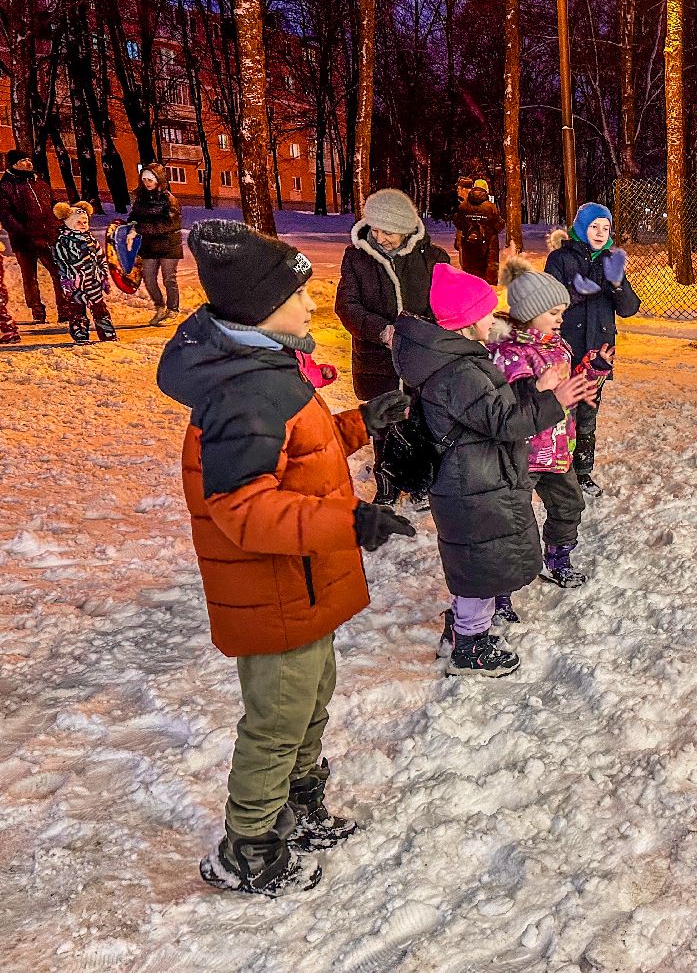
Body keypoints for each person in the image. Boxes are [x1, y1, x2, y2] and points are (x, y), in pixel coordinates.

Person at [157, 220, 416, 896]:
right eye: (300, 296)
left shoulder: (266, 368)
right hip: (274, 591)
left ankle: (297, 807)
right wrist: (352, 521)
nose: (311, 307)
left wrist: (363, 421)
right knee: (276, 722)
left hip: (301, 584)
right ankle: (247, 847)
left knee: (310, 701)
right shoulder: (244, 394)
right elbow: (243, 509)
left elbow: (299, 451)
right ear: (261, 308)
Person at [391, 263, 597, 677]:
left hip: (474, 476)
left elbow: (494, 407)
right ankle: (470, 644)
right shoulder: (460, 371)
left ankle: (463, 628)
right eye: (485, 313)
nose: (493, 319)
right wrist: (554, 400)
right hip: (471, 480)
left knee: (478, 560)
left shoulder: (457, 360)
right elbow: (504, 421)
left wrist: (534, 390)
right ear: (467, 320)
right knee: (480, 564)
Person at [486, 256, 613, 624]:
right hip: (522, 455)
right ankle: (500, 593)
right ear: (529, 314)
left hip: (558, 450)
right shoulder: (508, 354)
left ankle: (557, 558)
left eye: (561, 312)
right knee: (513, 524)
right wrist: (534, 387)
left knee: (570, 506)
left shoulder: (558, 347)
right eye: (554, 313)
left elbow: (572, 386)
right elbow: (506, 403)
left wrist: (593, 369)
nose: (560, 319)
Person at [335, 188, 450, 507]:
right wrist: (380, 330)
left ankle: (419, 481)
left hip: (420, 359)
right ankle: (386, 482)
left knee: (420, 419)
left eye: (388, 231)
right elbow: (347, 304)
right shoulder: (357, 258)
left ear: (405, 229)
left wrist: (419, 334)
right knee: (384, 421)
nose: (379, 236)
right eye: (375, 228)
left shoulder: (434, 258)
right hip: (377, 359)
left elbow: (445, 308)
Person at [543, 202, 639, 497]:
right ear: (581, 227)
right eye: (594, 226)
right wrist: (575, 292)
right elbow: (548, 302)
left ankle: (582, 471)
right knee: (561, 414)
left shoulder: (610, 260)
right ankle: (559, 471)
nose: (600, 233)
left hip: (598, 352)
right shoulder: (560, 258)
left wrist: (617, 282)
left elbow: (629, 309)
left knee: (587, 413)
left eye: (606, 227)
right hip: (565, 350)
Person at [0, 149, 69, 324]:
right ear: (14, 164)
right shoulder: (6, 186)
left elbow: (53, 206)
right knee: (30, 277)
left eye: (28, 159)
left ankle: (65, 309)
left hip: (48, 236)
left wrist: (59, 223)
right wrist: (22, 232)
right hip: (24, 239)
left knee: (58, 272)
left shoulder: (41, 184)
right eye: (23, 160)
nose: (28, 163)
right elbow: (6, 215)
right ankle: (37, 310)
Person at [51, 201, 115, 344]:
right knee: (77, 310)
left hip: (93, 282)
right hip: (75, 284)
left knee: (100, 308)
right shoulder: (63, 242)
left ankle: (107, 333)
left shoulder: (91, 240)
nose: (82, 224)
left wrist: (103, 276)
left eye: (85, 221)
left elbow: (100, 258)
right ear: (68, 222)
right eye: (78, 222)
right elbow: (61, 262)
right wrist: (67, 279)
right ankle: (80, 333)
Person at [127, 165, 184, 325]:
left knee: (169, 279)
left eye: (150, 179)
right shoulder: (141, 199)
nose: (147, 182)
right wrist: (130, 224)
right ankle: (160, 307)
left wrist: (140, 228)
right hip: (150, 245)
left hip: (169, 245)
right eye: (144, 179)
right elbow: (134, 216)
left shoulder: (169, 199)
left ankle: (173, 311)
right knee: (149, 278)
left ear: (158, 180)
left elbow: (169, 224)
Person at [452, 176, 505, 283]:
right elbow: (499, 225)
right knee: (487, 282)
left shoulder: (463, 206)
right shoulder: (490, 207)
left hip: (469, 252)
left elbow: (458, 223)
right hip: (488, 251)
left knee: (470, 281)